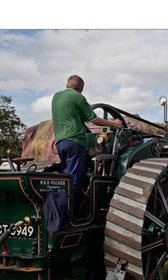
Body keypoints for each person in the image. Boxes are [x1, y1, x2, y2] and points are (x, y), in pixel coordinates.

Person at [52, 75, 122, 213]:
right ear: (81, 89)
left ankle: (70, 210)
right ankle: (69, 215)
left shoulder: (56, 97)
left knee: (67, 177)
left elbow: (75, 118)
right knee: (74, 181)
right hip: (75, 143)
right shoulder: (78, 98)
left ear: (67, 84)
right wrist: (114, 124)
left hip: (60, 143)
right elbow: (94, 119)